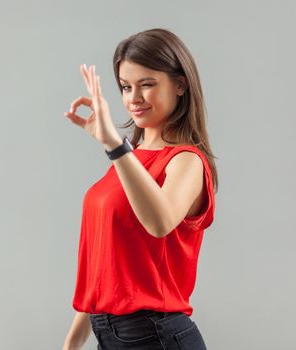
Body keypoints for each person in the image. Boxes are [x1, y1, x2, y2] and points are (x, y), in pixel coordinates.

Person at [62, 28, 218, 350]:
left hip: (154, 336)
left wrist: (114, 145)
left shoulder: (186, 160)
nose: (134, 98)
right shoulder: (127, 161)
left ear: (180, 84)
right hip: (109, 332)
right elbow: (105, 264)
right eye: (125, 86)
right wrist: (72, 342)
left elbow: (159, 222)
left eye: (147, 84)